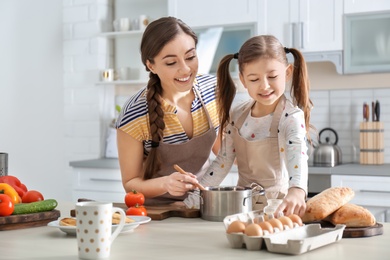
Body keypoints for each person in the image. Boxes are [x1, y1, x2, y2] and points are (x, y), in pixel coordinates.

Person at [184, 35, 313, 217]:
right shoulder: (237, 115)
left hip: (279, 210)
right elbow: (223, 160)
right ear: (243, 80)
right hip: (242, 209)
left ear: (287, 72)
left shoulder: (291, 117)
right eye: (254, 79)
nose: (265, 86)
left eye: (273, 76)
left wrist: (298, 190)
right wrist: (198, 195)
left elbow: (298, 155)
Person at [115, 17, 220, 205]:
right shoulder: (134, 114)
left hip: (201, 204)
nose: (185, 69)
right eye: (171, 63)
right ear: (151, 65)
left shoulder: (212, 91)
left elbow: (225, 152)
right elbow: (130, 183)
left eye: (190, 57)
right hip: (156, 213)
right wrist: (166, 183)